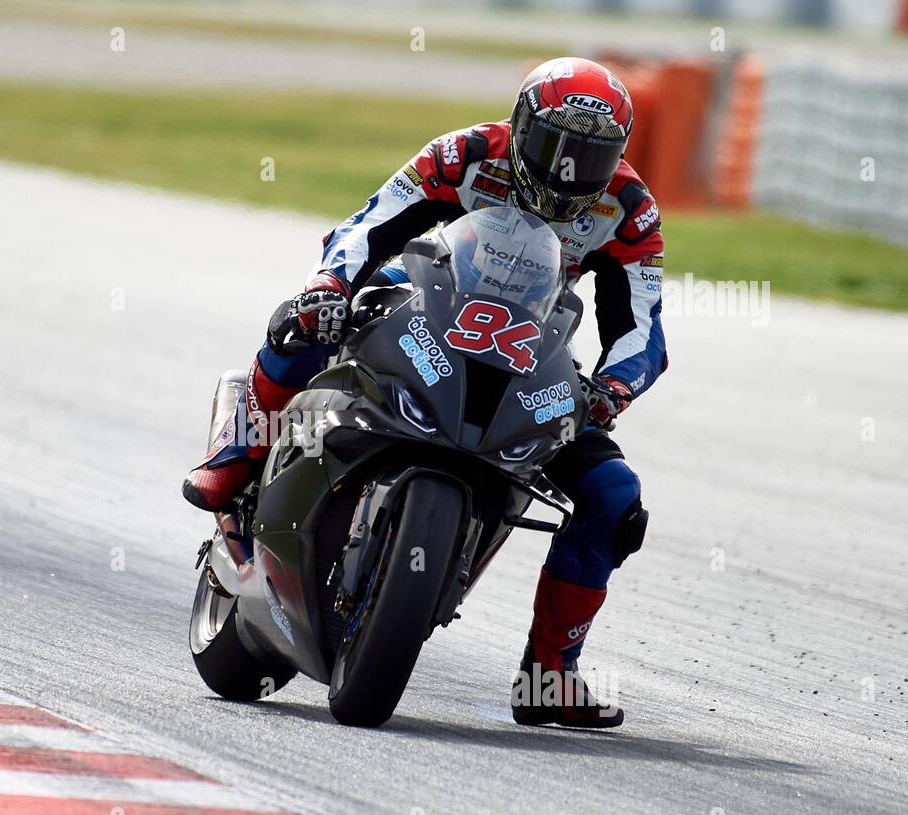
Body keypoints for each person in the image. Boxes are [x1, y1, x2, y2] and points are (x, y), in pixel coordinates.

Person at [182, 57, 665, 728]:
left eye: (592, 156)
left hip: (528, 355)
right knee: (304, 324)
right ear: (522, 128)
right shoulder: (467, 154)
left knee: (616, 499)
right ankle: (236, 460)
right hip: (426, 312)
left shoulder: (628, 207)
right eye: (557, 147)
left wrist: (611, 388)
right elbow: (371, 223)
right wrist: (330, 285)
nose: (568, 171)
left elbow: (643, 326)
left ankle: (550, 675)